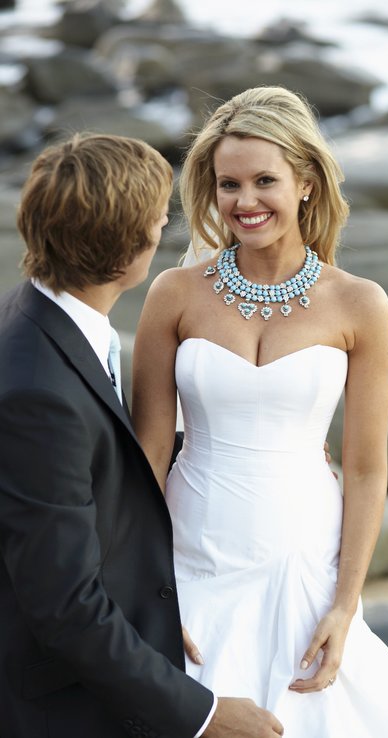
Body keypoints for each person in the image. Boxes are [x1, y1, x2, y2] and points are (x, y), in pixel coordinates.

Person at [132, 86, 388, 737]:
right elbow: (149, 451)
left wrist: (346, 604)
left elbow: (366, 469)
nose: (244, 202)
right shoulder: (173, 294)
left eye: (265, 180)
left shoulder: (360, 305)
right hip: (189, 546)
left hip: (303, 551)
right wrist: (141, 580)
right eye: (228, 184)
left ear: (306, 184)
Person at [0, 132, 284, 738]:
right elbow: (66, 607)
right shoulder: (37, 393)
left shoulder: (38, 317)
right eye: (158, 220)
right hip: (58, 705)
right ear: (130, 248)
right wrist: (201, 714)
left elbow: (83, 461)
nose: (163, 229)